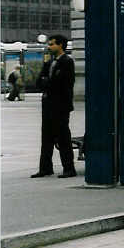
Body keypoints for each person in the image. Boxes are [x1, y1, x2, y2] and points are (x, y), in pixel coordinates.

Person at [32, 34, 76, 178]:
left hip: (61, 106)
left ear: (61, 45)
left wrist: (48, 82)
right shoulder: (49, 63)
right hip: (48, 105)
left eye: (51, 44)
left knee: (63, 138)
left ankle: (69, 168)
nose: (49, 47)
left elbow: (62, 83)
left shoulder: (67, 62)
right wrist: (48, 82)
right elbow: (39, 82)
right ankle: (45, 168)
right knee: (46, 138)